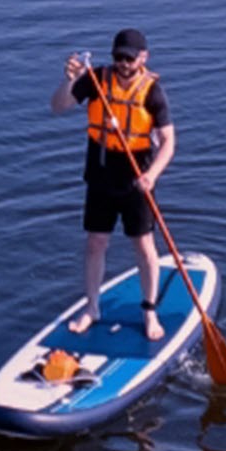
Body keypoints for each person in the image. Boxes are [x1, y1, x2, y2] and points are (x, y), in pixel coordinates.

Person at [49, 29, 177, 339]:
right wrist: (69, 81)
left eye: (129, 59)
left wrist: (152, 175)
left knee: (144, 246)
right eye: (118, 57)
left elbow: (169, 141)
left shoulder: (152, 92)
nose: (122, 64)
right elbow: (58, 106)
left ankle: (149, 312)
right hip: (101, 173)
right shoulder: (96, 79)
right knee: (95, 243)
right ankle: (92, 307)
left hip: (137, 177)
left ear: (143, 58)